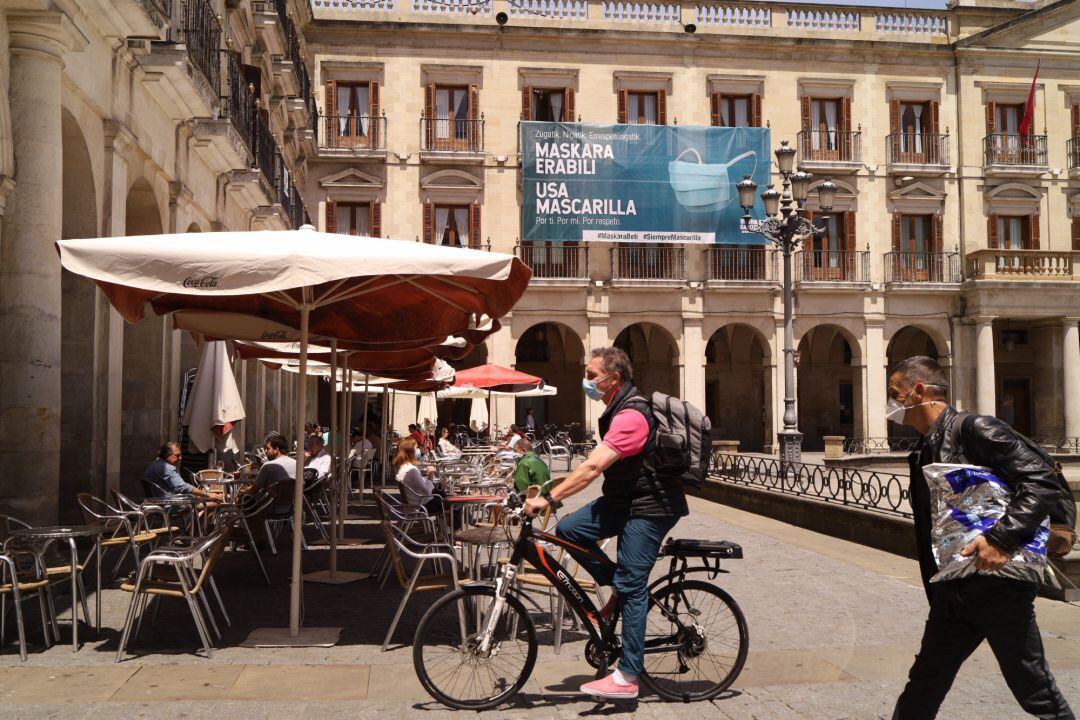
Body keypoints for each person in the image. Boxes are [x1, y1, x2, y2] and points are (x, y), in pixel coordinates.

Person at [887, 355, 1074, 720]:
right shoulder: (926, 446)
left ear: (919, 391)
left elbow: (1040, 480)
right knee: (925, 682)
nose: (893, 403)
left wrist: (1000, 540)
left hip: (996, 588)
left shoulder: (974, 429)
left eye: (896, 393)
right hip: (955, 587)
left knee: (1034, 689)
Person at [524, 347, 687, 700]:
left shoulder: (631, 415)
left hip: (649, 507)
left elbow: (592, 468)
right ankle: (621, 585)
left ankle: (627, 675)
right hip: (622, 502)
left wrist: (547, 498)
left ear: (613, 379)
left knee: (631, 586)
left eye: (590, 374)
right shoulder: (615, 409)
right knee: (568, 530)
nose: (585, 381)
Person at [144, 442, 221, 501]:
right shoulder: (166, 468)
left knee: (201, 499)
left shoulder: (155, 464)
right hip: (170, 503)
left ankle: (195, 519)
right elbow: (182, 487)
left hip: (160, 500)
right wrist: (207, 494)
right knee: (216, 501)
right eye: (177, 455)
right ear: (167, 455)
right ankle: (196, 520)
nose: (180, 458)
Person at [393, 436, 442, 514]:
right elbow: (426, 491)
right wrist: (431, 473)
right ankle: (454, 525)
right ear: (410, 451)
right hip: (422, 505)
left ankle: (446, 524)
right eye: (416, 448)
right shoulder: (412, 470)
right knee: (455, 504)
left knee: (442, 492)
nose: (418, 450)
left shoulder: (403, 468)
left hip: (415, 503)